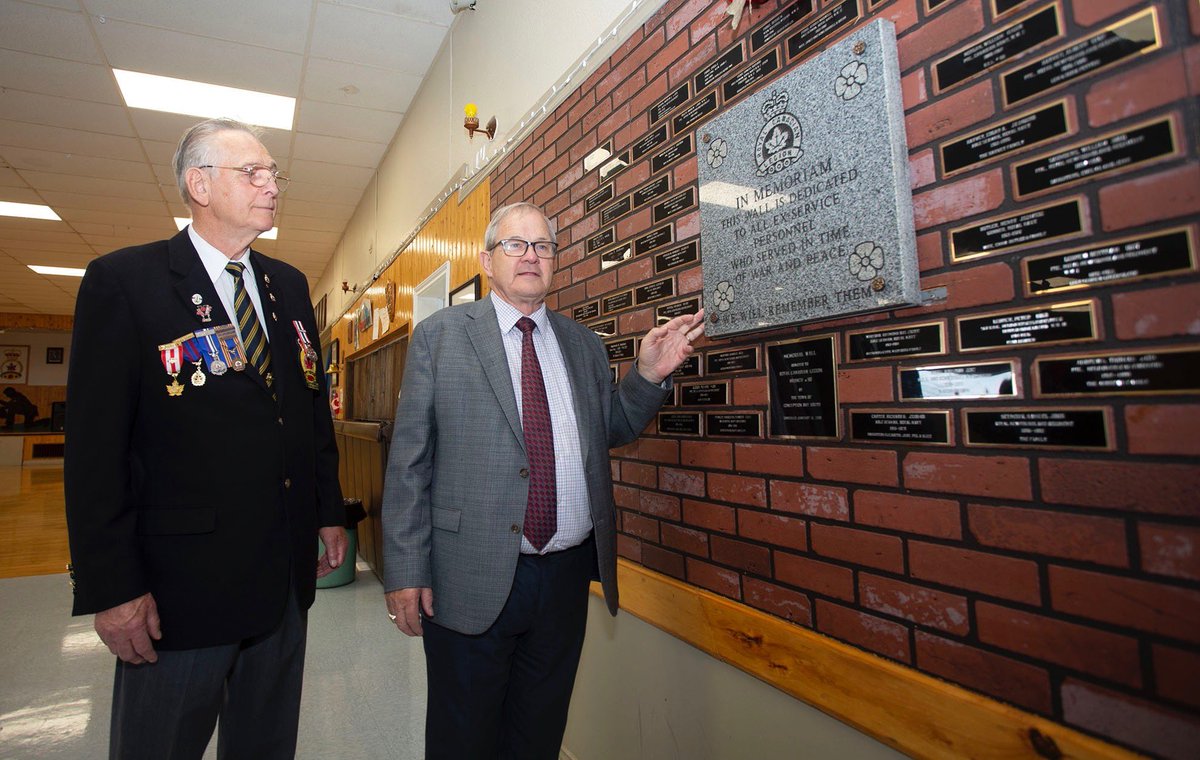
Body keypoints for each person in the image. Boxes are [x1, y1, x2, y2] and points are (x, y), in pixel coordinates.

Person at [64, 117, 347, 759]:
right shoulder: (126, 282)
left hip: (279, 582)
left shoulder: (290, 287)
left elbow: (306, 414)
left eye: (274, 172)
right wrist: (112, 588)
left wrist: (327, 511)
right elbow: (93, 454)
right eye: (253, 172)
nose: (272, 184)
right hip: (180, 592)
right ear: (199, 184)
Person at [382, 202, 705, 759]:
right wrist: (406, 570)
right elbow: (410, 461)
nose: (530, 255)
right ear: (487, 259)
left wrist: (647, 375)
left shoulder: (583, 345)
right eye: (515, 244)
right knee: (464, 738)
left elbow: (609, 429)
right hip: (469, 576)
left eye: (543, 245)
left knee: (539, 734)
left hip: (562, 578)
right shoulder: (441, 337)